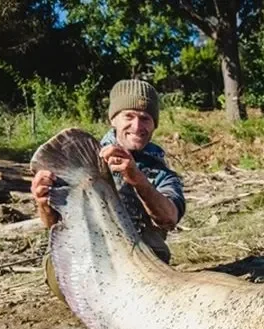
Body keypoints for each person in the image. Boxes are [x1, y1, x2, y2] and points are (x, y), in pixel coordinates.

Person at [31, 79, 186, 301]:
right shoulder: (80, 160)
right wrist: (42, 202)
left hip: (141, 261)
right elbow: (52, 224)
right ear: (113, 118)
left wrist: (137, 179)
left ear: (154, 124)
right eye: (129, 116)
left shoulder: (161, 172)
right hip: (87, 254)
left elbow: (169, 218)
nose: (137, 126)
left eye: (145, 119)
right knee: (59, 272)